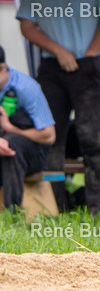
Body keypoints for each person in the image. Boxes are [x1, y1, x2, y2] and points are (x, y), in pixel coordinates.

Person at [16, 0, 100, 213]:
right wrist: (59, 50)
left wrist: (90, 52)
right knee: (50, 138)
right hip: (52, 67)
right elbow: (27, 25)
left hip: (90, 66)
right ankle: (53, 208)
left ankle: (98, 211)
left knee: (95, 139)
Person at [0, 45, 56, 213]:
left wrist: (10, 129)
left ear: (2, 68)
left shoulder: (26, 88)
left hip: (34, 152)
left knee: (11, 144)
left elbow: (49, 135)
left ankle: (12, 214)